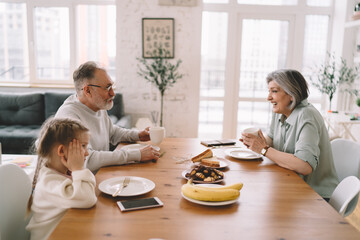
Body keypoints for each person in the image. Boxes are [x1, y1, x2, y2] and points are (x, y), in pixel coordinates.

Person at [241, 69, 339, 200]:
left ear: (291, 94)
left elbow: (304, 166)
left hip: (315, 194)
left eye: (274, 91)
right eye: (269, 91)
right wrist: (256, 142)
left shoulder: (307, 115)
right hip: (291, 183)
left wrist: (264, 149)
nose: (268, 97)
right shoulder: (282, 110)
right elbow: (272, 139)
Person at [55, 61, 160, 172]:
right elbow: (87, 160)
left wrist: (138, 135)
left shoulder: (97, 105)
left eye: (112, 87)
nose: (112, 93)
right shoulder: (69, 118)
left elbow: (111, 132)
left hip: (99, 176)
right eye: (107, 88)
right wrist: (136, 155)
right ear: (88, 90)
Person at [26, 118, 97, 240]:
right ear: (62, 151)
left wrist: (76, 170)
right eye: (83, 146)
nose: (86, 153)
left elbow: (88, 189)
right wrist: (78, 169)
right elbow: (88, 198)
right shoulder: (48, 183)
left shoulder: (62, 172)